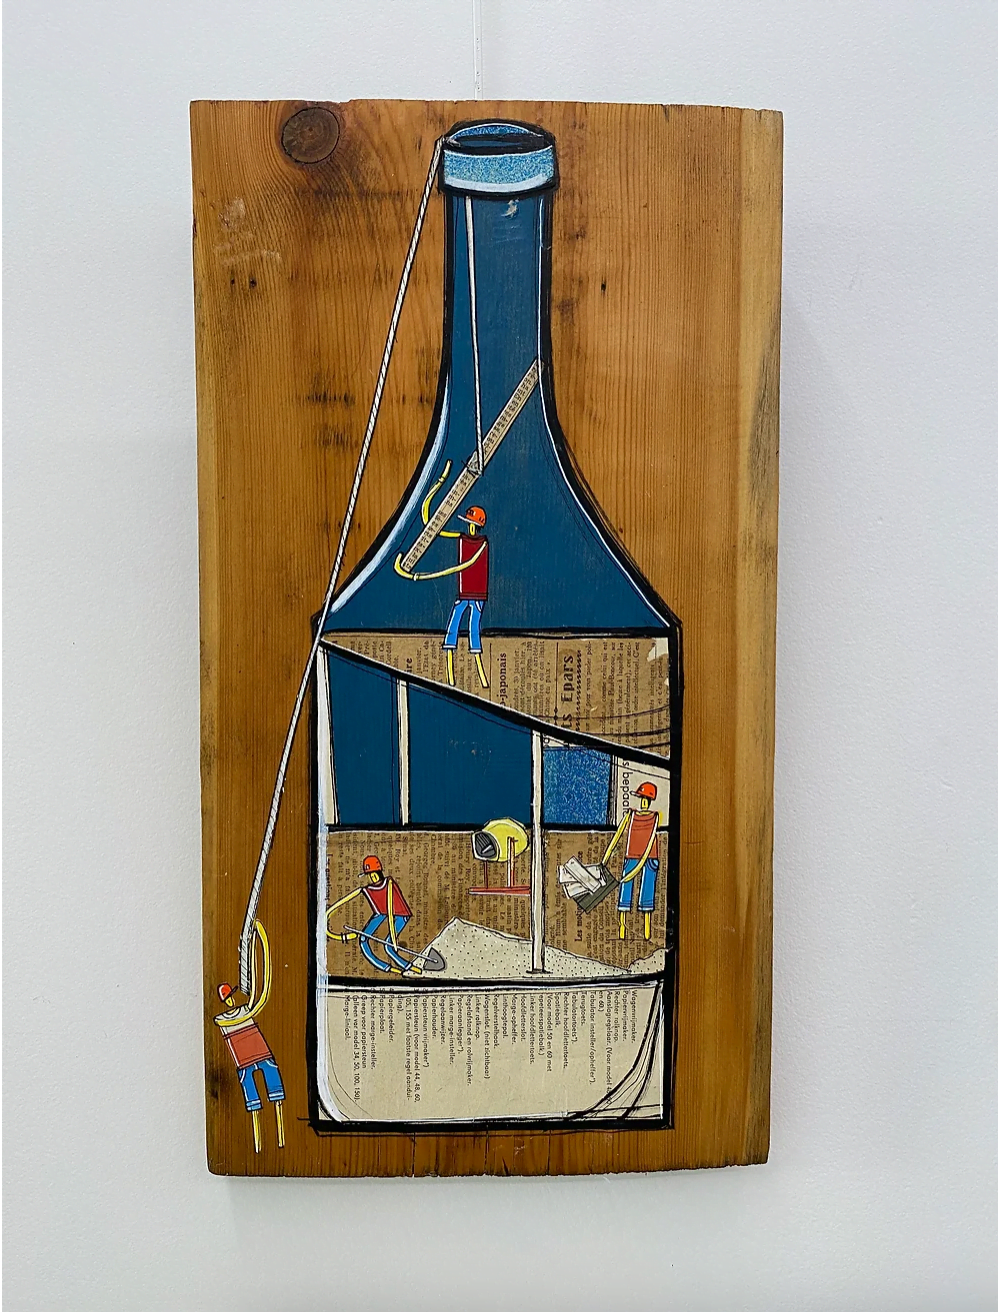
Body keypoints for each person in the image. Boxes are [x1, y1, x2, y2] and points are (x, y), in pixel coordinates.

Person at [394, 463, 490, 689]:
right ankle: (450, 671)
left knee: (473, 627)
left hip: (477, 594)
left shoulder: (482, 544)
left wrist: (420, 576)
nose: (470, 528)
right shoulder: (461, 537)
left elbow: (464, 565)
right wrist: (438, 484)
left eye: (472, 524)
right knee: (454, 623)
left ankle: (480, 673)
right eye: (468, 524)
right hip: (463, 593)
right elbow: (431, 525)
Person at [214, 921, 285, 1153]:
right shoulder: (223, 1020)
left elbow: (259, 998)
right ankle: (259, 1143)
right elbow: (255, 1003)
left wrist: (259, 935)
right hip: (244, 1061)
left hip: (261, 1053)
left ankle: (279, 1135)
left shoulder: (245, 1010)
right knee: (252, 1097)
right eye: (229, 997)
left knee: (274, 1091)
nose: (232, 1000)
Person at [326, 855, 419, 974]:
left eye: (373, 874)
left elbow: (390, 908)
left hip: (400, 914)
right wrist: (341, 935)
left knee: (388, 946)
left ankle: (408, 967)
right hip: (381, 913)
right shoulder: (367, 889)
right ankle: (387, 968)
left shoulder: (389, 883)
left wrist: (393, 935)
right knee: (363, 939)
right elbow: (345, 900)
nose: (372, 877)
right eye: (369, 875)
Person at [601, 781, 662, 941]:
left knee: (647, 890)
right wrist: (605, 858)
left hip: (649, 857)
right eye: (641, 798)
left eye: (645, 799)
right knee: (625, 888)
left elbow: (651, 838)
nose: (643, 802)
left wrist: (644, 858)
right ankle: (622, 928)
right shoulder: (631, 814)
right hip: (632, 855)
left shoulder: (655, 817)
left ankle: (647, 930)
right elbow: (618, 834)